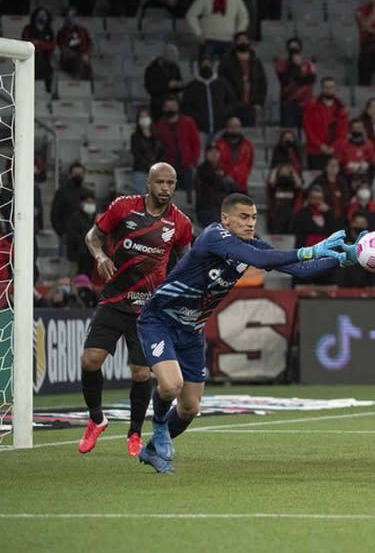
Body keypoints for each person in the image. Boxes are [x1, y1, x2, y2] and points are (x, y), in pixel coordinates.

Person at [135, 193, 357, 472]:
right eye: (243, 217)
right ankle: (157, 429)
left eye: (253, 217)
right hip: (160, 320)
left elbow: (299, 270)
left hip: (192, 331)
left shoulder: (251, 245)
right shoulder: (213, 237)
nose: (250, 223)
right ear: (224, 218)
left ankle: (153, 451)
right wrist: (312, 249)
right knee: (170, 386)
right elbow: (258, 258)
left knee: (190, 408)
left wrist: (343, 259)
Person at [77, 163, 193, 459]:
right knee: (91, 361)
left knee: (141, 373)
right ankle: (96, 419)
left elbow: (187, 263)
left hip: (149, 310)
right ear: (148, 184)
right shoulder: (124, 208)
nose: (166, 188)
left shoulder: (180, 224)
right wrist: (101, 255)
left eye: (171, 182)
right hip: (115, 299)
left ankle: (134, 434)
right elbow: (93, 236)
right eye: (160, 182)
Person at [155, 95, 202, 202]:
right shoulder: (160, 126)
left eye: (173, 106)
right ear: (163, 108)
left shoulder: (188, 122)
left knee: (188, 194)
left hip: (186, 164)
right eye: (168, 106)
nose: (170, 109)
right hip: (169, 166)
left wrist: (193, 162)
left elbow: (195, 143)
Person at [181, 54, 237, 140]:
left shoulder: (222, 83)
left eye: (208, 63)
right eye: (203, 64)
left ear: (212, 65)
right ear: (199, 66)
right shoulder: (191, 87)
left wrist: (224, 113)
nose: (206, 66)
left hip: (220, 129)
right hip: (200, 130)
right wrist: (197, 118)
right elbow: (185, 108)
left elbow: (232, 101)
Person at [218, 32, 267, 127]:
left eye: (245, 39)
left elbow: (263, 83)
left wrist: (259, 103)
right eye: (240, 40)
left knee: (249, 133)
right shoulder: (226, 61)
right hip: (233, 105)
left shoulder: (256, 61)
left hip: (251, 104)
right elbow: (221, 83)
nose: (243, 42)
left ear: (249, 42)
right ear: (235, 42)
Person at [185, 0, 250, 60]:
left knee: (229, 70)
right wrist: (198, 33)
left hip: (229, 40)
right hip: (208, 40)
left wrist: (239, 35)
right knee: (206, 69)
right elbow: (191, 15)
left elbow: (244, 17)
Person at [303, 77, 350, 170]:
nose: (329, 90)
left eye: (331, 87)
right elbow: (308, 129)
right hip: (315, 151)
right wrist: (321, 146)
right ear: (322, 88)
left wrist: (333, 147)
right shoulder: (311, 106)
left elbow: (343, 132)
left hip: (335, 152)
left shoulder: (341, 108)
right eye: (326, 87)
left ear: (335, 89)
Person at [275, 37, 317, 130]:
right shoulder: (281, 64)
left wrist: (295, 77)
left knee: (307, 130)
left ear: (300, 48)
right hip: (288, 103)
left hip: (306, 103)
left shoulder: (308, 64)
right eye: (291, 47)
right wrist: (295, 66)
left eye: (296, 46)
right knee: (289, 131)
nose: (293, 49)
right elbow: (284, 79)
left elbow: (310, 79)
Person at [195, 144, 237, 227]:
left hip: (220, 209)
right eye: (211, 152)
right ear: (206, 154)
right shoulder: (203, 169)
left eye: (216, 151)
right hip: (207, 209)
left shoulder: (222, 168)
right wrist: (224, 181)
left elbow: (232, 186)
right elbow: (219, 182)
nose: (214, 154)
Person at [335, 214, 375, 288]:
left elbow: (372, 264)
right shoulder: (341, 238)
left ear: (367, 225)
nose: (360, 225)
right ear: (351, 223)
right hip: (343, 281)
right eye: (357, 223)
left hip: (363, 283)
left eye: (363, 223)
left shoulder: (370, 241)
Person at [51, 163, 89, 250]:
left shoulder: (87, 193)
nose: (78, 176)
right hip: (67, 237)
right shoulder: (62, 193)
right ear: (70, 174)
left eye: (81, 174)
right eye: (76, 173)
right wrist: (62, 233)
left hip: (84, 238)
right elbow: (54, 215)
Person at [334, 118, 375, 191]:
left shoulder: (369, 145)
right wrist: (346, 182)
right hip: (347, 180)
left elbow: (373, 167)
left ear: (364, 129)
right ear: (350, 130)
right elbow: (339, 167)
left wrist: (367, 183)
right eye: (354, 128)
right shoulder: (343, 145)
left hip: (364, 180)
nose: (357, 130)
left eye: (359, 128)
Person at [214, 115, 254, 193]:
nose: (234, 129)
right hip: (224, 186)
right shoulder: (218, 144)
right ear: (227, 128)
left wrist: (243, 174)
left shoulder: (248, 145)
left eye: (236, 126)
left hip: (242, 186)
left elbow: (250, 163)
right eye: (231, 126)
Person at [130, 107, 165, 195]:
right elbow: (136, 154)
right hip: (140, 171)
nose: (144, 119)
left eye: (146, 116)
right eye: (142, 117)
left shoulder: (157, 136)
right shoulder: (135, 137)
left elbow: (162, 152)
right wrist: (149, 166)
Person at [20, 6, 56, 93]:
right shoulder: (28, 29)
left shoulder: (49, 31)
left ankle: (48, 94)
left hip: (45, 59)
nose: (43, 17)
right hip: (31, 58)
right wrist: (41, 45)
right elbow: (26, 44)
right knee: (37, 56)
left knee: (45, 63)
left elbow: (52, 46)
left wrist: (38, 43)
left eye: (45, 15)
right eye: (40, 15)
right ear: (35, 16)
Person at [144, 44, 183, 121]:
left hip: (173, 105)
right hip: (158, 106)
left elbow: (180, 83)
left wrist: (178, 85)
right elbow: (150, 88)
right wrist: (167, 85)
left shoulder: (175, 67)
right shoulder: (152, 69)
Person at [64, 191, 98, 278]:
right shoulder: (75, 218)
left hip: (90, 258)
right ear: (81, 203)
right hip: (77, 257)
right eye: (87, 202)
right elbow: (72, 237)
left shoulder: (96, 218)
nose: (90, 204)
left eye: (92, 202)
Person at [307, 157, 350, 221]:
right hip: (324, 217)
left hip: (341, 218)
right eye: (331, 165)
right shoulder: (319, 182)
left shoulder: (342, 182)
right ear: (326, 167)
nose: (334, 168)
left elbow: (346, 198)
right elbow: (309, 196)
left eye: (336, 165)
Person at [266, 161, 303, 234]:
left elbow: (299, 185)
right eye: (283, 170)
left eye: (287, 170)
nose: (285, 171)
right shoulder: (276, 184)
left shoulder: (293, 185)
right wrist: (276, 169)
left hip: (290, 211)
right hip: (277, 211)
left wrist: (293, 171)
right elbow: (271, 183)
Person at [56, 8, 92, 80]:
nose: (70, 18)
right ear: (65, 18)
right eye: (68, 16)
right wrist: (79, 55)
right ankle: (78, 83)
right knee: (79, 61)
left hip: (83, 58)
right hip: (68, 60)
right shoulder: (61, 32)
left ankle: (81, 85)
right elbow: (63, 49)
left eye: (73, 16)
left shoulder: (82, 30)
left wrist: (87, 54)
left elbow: (90, 44)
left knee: (86, 67)